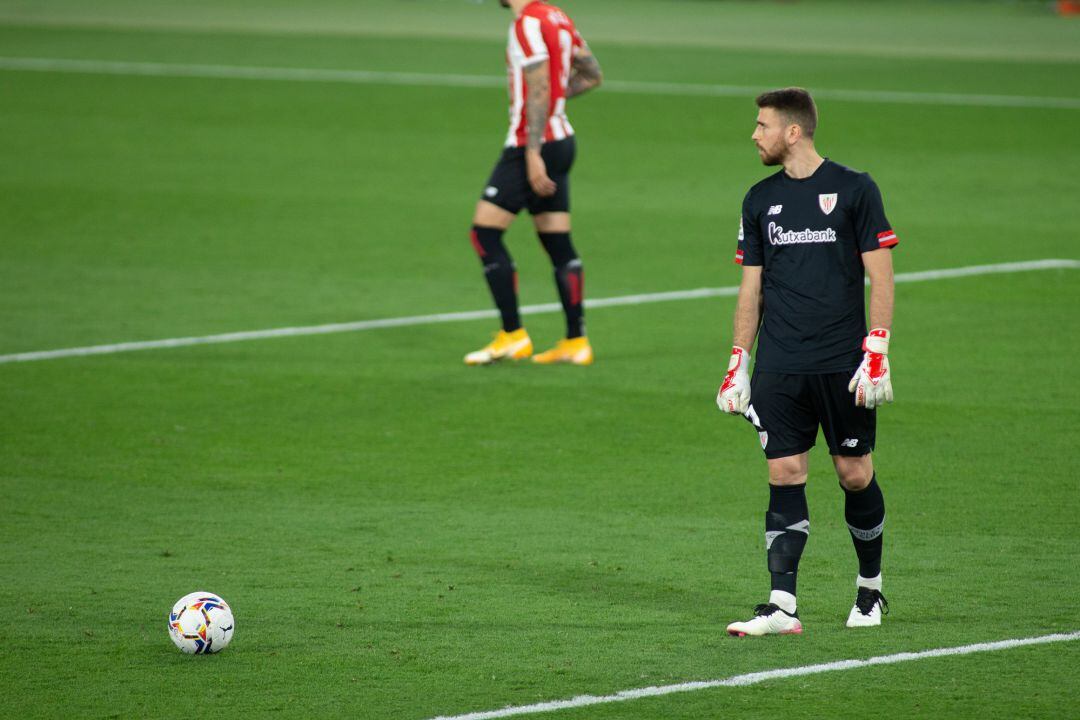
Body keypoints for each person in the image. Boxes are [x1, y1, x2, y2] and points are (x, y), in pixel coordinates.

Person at [717, 88, 899, 636]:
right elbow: (751, 289)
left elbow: (881, 275)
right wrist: (738, 360)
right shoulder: (758, 199)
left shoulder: (854, 189)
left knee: (853, 473)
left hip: (841, 361)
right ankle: (782, 606)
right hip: (781, 363)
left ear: (793, 132)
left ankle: (870, 591)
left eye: (762, 126)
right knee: (784, 471)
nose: (754, 135)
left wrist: (878, 348)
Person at [464, 0, 602, 367]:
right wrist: (557, 101)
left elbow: (539, 86)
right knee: (557, 241)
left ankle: (512, 335)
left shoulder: (526, 23)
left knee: (484, 234)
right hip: (563, 141)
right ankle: (576, 341)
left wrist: (532, 152)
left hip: (532, 144)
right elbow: (591, 73)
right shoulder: (557, 17)